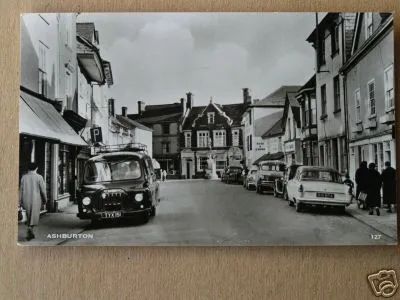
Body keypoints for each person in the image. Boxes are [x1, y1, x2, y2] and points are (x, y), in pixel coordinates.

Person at [19, 162, 47, 240]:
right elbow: (43, 190)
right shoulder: (39, 177)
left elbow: (20, 190)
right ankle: (30, 229)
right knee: (33, 216)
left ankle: (29, 229)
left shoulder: (24, 177)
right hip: (36, 200)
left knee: (28, 215)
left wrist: (19, 202)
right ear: (36, 168)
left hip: (25, 199)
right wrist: (45, 199)